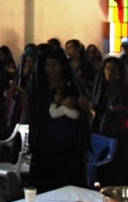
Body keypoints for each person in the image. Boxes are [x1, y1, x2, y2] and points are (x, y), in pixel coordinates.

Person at [26, 48, 91, 193]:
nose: (51, 69)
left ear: (62, 67)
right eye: (47, 65)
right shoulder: (39, 88)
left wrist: (85, 107)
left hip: (68, 150)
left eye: (54, 65)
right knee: (43, 190)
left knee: (68, 190)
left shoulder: (73, 87)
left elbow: (90, 112)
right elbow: (32, 113)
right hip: (44, 148)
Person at [91, 58, 128, 187]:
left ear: (119, 72)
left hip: (120, 135)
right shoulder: (100, 88)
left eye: (113, 69)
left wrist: (122, 108)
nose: (110, 72)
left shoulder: (126, 89)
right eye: (107, 68)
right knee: (105, 169)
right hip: (103, 133)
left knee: (122, 169)